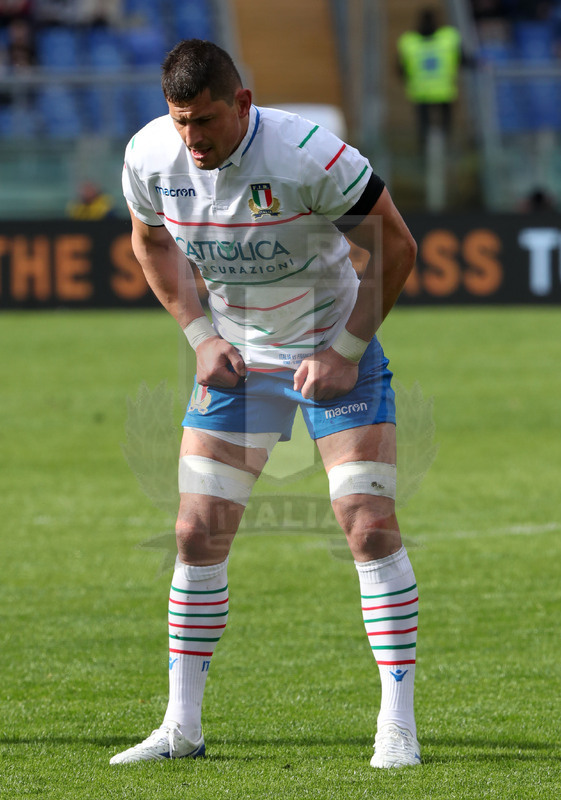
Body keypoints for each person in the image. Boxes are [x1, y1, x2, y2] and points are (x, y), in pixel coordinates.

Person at [111, 39, 420, 770]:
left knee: (367, 526)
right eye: (181, 120)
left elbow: (397, 247)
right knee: (194, 534)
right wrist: (198, 337)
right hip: (238, 362)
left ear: (242, 104)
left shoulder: (308, 155)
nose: (194, 138)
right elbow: (148, 242)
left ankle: (396, 725)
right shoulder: (150, 156)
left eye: (206, 120)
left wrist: (343, 353)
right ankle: (180, 727)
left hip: (332, 348)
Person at [397, 8, 463, 149]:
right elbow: (461, 59)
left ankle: (424, 149)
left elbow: (400, 69)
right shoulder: (448, 38)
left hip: (420, 91)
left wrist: (408, 80)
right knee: (445, 124)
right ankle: (446, 147)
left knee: (424, 127)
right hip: (444, 89)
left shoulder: (409, 42)